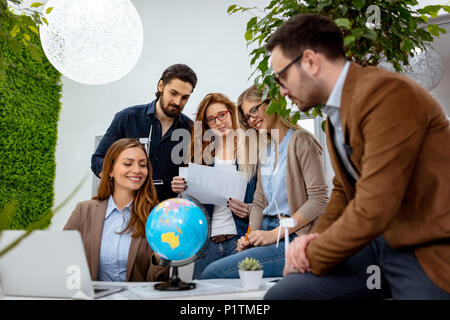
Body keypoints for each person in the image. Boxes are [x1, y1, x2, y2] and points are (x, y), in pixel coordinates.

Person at [264, 13, 450, 300]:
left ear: (311, 61)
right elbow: (342, 188)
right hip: (377, 244)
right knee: (286, 294)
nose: (282, 90)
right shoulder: (335, 111)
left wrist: (311, 253)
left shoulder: (387, 94)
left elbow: (375, 205)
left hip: (423, 245)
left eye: (282, 76)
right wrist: (313, 242)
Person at [199, 85, 329, 279]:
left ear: (272, 102)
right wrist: (250, 235)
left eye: (254, 109)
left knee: (213, 273)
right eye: (247, 116)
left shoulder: (301, 141)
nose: (252, 119)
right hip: (267, 232)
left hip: (292, 236)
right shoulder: (266, 150)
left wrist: (276, 233)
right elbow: (259, 201)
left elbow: (319, 200)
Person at [171, 93, 257, 279]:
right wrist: (181, 190)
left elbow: (265, 198)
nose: (218, 122)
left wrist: (249, 210)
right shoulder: (201, 156)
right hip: (206, 245)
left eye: (222, 115)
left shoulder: (251, 151)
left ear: (232, 114)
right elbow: (190, 205)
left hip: (240, 241)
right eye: (211, 119)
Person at [65, 138, 169, 282]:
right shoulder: (84, 211)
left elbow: (158, 283)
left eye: (143, 165)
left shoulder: (157, 217)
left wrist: (160, 259)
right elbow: (64, 261)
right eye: (128, 163)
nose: (137, 170)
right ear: (110, 170)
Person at [91, 64, 197, 202]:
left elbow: (195, 178)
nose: (177, 102)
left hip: (164, 214)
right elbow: (98, 159)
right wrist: (120, 175)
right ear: (161, 86)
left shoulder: (191, 130)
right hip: (124, 207)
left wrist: (186, 183)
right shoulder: (127, 118)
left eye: (184, 97)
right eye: (173, 93)